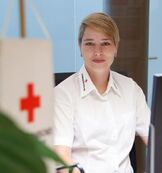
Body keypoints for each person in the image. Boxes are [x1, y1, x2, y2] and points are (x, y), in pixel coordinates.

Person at [54, 12, 150, 173]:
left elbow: (157, 142)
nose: (97, 51)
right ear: (80, 47)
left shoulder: (131, 89)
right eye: (90, 44)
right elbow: (61, 157)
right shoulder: (63, 94)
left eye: (105, 43)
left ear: (116, 47)